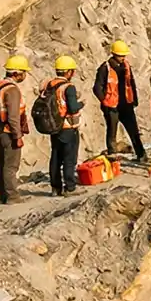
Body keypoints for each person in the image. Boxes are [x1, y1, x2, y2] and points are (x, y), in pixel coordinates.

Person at [93, 40, 145, 162]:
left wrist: (134, 100)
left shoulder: (126, 66)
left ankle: (141, 154)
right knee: (112, 133)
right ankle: (112, 157)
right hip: (111, 106)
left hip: (126, 105)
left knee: (134, 131)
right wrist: (104, 100)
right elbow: (97, 88)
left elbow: (131, 83)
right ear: (114, 54)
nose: (123, 58)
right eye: (121, 55)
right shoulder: (105, 68)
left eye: (124, 55)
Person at [46, 55, 84, 196]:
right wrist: (82, 104)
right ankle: (70, 187)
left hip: (54, 127)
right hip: (67, 127)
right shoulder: (68, 88)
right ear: (69, 72)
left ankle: (55, 188)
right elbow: (73, 108)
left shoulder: (50, 85)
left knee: (55, 157)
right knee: (69, 158)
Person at [0, 55, 29, 203]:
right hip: (9, 131)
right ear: (16, 73)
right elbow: (13, 116)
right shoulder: (12, 90)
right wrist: (18, 136)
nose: (25, 75)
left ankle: (3, 195)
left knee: (3, 163)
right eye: (23, 72)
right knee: (11, 166)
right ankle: (12, 196)